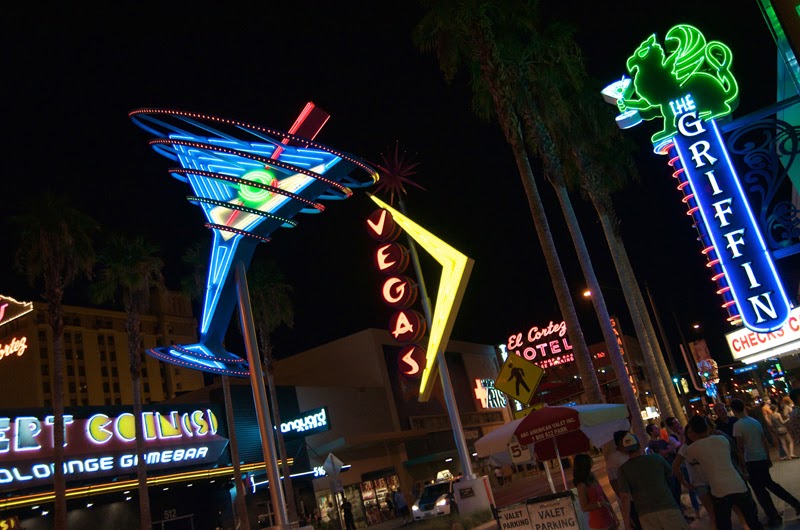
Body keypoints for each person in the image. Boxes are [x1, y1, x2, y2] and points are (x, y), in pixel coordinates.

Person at [682, 415, 763, 530]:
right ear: (707, 427)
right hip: (737, 484)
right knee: (752, 520)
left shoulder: (692, 449)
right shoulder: (722, 439)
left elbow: (691, 461)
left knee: (724, 524)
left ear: (694, 431)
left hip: (719, 490)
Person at [731, 398, 800, 526]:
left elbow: (740, 446)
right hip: (761, 457)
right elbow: (763, 440)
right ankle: (793, 504)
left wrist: (742, 464)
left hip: (750, 460)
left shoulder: (737, 425)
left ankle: (773, 515)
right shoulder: (754, 422)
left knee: (759, 490)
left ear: (734, 410)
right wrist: (767, 456)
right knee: (770, 484)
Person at [617, 433, 689, 530]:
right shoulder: (656, 458)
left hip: (645, 514)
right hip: (667, 506)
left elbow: (625, 497)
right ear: (639, 445)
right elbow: (670, 475)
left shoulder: (623, 469)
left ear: (625, 451)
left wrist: (627, 523)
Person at [665, 417, 699, 520]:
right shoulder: (671, 438)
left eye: (677, 422)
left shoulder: (685, 431)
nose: (678, 424)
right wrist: (683, 435)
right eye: (675, 423)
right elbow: (681, 447)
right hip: (684, 463)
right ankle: (696, 510)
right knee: (691, 485)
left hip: (694, 459)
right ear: (671, 426)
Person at [573, 453, 618, 529]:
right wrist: (600, 504)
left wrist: (613, 513)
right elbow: (584, 507)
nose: (592, 461)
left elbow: (603, 495)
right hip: (598, 521)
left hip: (608, 517)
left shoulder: (592, 476)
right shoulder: (581, 485)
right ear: (585, 464)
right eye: (589, 459)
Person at [607, 431, 641, 530]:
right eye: (627, 438)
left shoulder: (629, 453)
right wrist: (624, 500)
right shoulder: (613, 458)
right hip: (630, 499)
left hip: (639, 495)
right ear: (620, 441)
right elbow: (613, 481)